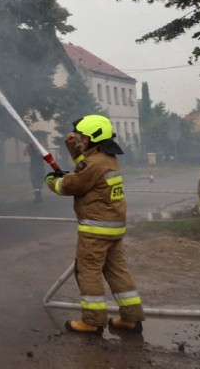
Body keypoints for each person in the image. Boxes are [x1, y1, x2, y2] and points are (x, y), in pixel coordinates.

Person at [44, 114, 145, 335]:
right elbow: (83, 164)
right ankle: (131, 318)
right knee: (117, 272)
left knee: (88, 271)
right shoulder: (106, 158)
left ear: (92, 138)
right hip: (113, 227)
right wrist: (72, 148)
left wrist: (52, 181)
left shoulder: (94, 164)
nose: (79, 139)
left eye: (81, 137)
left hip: (96, 230)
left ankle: (92, 321)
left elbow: (71, 185)